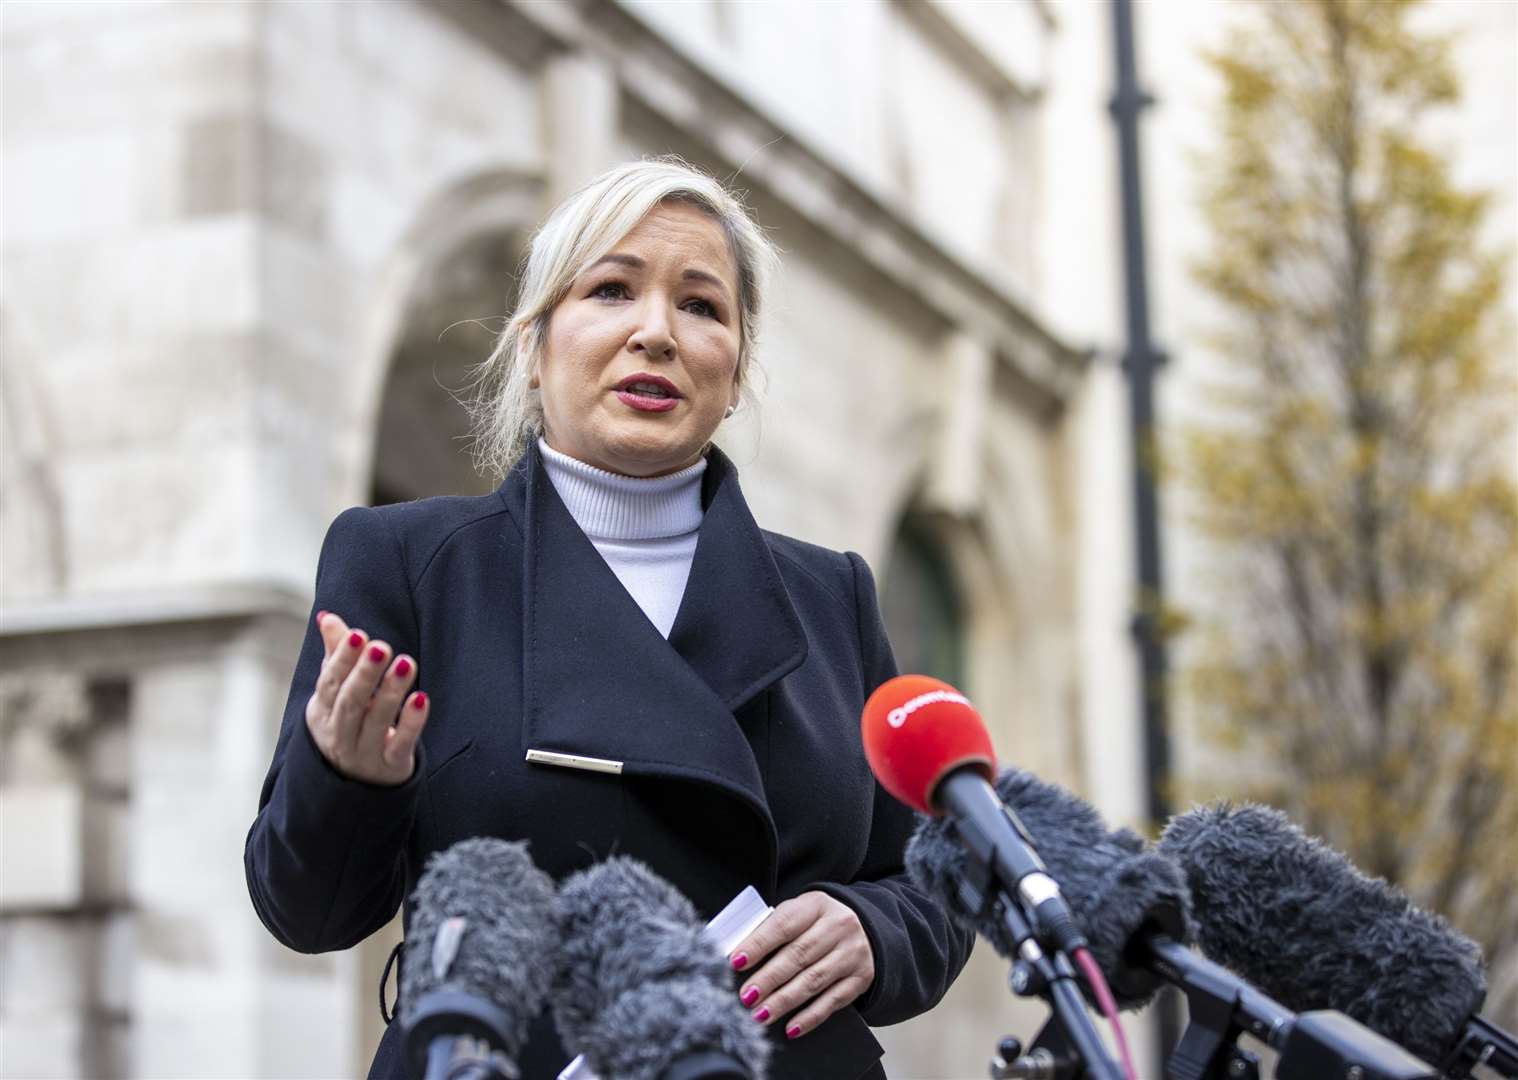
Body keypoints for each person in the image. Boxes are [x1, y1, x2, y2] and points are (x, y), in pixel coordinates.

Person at [244, 158, 973, 1080]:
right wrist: (347, 778)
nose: (656, 333)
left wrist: (876, 930)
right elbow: (306, 911)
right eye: (612, 290)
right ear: (535, 345)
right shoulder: (407, 562)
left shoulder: (832, 594)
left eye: (702, 306)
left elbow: (933, 880)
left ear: (737, 367)